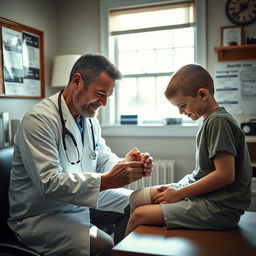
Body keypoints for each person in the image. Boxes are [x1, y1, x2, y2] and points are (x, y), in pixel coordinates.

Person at [8, 54, 153, 256]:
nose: (103, 103)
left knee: (140, 204)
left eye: (108, 97)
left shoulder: (89, 119)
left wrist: (124, 165)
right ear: (77, 81)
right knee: (103, 244)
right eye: (99, 94)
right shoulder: (39, 120)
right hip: (43, 215)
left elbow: (101, 157)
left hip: (78, 201)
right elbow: (49, 183)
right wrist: (108, 181)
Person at [125, 64, 252, 236]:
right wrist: (179, 190)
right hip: (204, 193)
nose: (180, 112)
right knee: (136, 197)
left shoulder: (219, 122)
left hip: (221, 207)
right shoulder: (209, 120)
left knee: (139, 215)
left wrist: (179, 194)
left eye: (183, 105)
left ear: (202, 94)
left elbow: (225, 175)